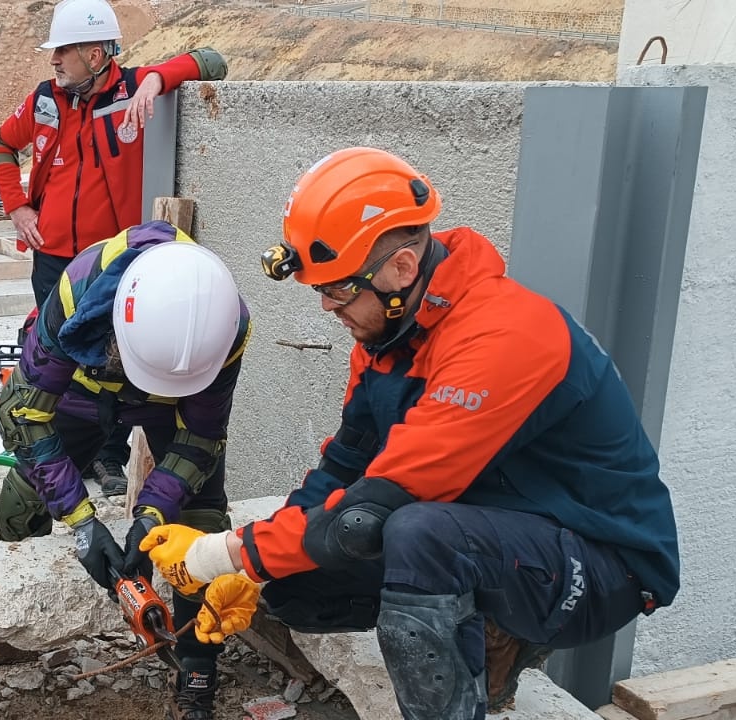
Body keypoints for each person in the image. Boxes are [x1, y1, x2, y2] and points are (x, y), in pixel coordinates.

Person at [139, 148, 682, 719]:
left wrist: (216, 554)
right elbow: (342, 469)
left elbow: (374, 509)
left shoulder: (504, 334)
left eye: (340, 290)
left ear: (400, 269)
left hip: (602, 563)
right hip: (501, 529)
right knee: (294, 586)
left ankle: (482, 665)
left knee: (418, 535)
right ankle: (486, 631)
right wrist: (250, 567)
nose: (327, 306)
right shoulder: (387, 342)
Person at [0, 220, 249, 720]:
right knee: (29, 490)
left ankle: (196, 661)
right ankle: (10, 629)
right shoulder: (76, 294)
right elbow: (24, 417)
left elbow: (200, 437)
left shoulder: (224, 326)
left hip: (172, 403)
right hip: (81, 384)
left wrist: (155, 512)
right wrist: (82, 522)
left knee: (201, 522)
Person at [0, 0, 228, 497]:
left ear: (96, 55)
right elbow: (0, 146)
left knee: (109, 359)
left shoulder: (135, 91)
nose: (53, 61)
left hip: (107, 266)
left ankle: (108, 456)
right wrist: (17, 207)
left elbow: (212, 61)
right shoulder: (44, 100)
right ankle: (53, 448)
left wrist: (161, 78)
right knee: (52, 352)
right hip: (53, 258)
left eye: (63, 51)